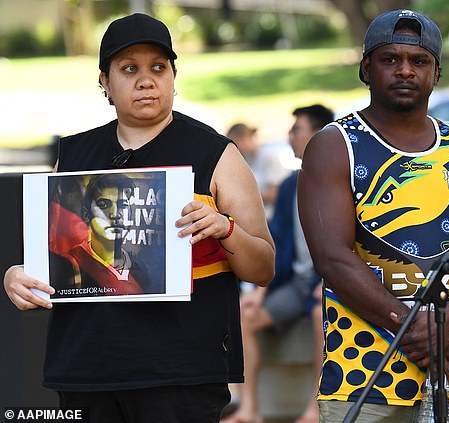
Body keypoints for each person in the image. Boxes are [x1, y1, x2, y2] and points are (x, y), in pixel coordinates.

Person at [3, 13, 274, 423]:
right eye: (129, 69)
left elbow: (264, 266)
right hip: (85, 368)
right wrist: (16, 277)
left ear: (172, 77)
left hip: (181, 373)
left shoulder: (216, 154)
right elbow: (46, 262)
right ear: (105, 82)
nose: (146, 80)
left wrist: (225, 228)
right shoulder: (75, 156)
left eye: (158, 68)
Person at [297, 9, 449, 422]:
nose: (405, 70)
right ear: (365, 69)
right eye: (390, 60)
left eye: (419, 61)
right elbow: (333, 258)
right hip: (362, 379)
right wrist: (417, 330)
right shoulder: (334, 147)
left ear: (437, 72)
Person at [222, 104, 334, 423]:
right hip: (294, 284)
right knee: (245, 315)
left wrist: (328, 284)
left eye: (297, 129)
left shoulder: (341, 182)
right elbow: (278, 242)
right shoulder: (289, 186)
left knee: (319, 316)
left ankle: (315, 409)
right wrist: (260, 288)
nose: (290, 136)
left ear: (319, 135)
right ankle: (250, 410)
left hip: (329, 284)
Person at [48, 173, 157, 297]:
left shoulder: (142, 270)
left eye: (122, 205)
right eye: (104, 205)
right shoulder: (71, 264)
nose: (115, 214)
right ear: (85, 214)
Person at [226, 122, 291, 220]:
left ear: (243, 139)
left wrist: (243, 198)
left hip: (272, 220)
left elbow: (276, 193)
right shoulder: (246, 159)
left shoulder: (268, 157)